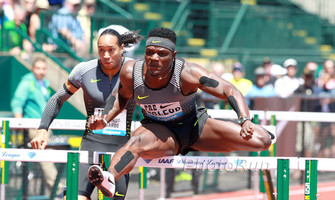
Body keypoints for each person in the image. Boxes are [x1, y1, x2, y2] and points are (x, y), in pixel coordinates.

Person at [86, 27, 275, 198]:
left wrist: (245, 120)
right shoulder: (131, 72)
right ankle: (109, 177)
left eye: (162, 54)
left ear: (173, 55)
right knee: (136, 142)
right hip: (158, 131)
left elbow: (229, 90)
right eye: (149, 53)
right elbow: (120, 98)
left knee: (262, 141)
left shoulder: (187, 73)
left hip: (195, 126)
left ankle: (264, 132)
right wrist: (104, 119)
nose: (154, 58)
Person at [30, 28, 143, 200]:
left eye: (111, 50)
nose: (106, 55)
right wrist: (42, 129)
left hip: (120, 152)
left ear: (122, 48)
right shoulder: (84, 70)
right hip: (91, 147)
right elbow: (57, 99)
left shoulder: (135, 72)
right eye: (101, 50)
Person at [11, 56, 57, 196]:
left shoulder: (44, 84)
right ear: (32, 69)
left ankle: (54, 190)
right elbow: (17, 103)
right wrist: (20, 124)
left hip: (45, 126)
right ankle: (58, 187)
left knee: (51, 156)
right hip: (33, 126)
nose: (41, 71)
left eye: (43, 68)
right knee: (45, 158)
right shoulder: (27, 82)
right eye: (38, 68)